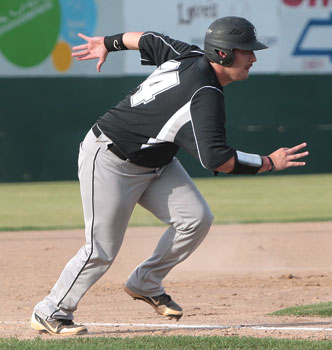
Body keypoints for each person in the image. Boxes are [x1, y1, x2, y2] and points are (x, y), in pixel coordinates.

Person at [31, 16, 308, 336]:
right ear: (223, 54)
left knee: (196, 218)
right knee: (101, 249)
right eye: (246, 51)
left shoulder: (188, 55)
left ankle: (145, 281)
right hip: (110, 158)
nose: (253, 58)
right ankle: (50, 310)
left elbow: (147, 39)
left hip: (155, 163)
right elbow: (218, 159)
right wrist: (268, 162)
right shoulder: (204, 95)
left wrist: (107, 43)